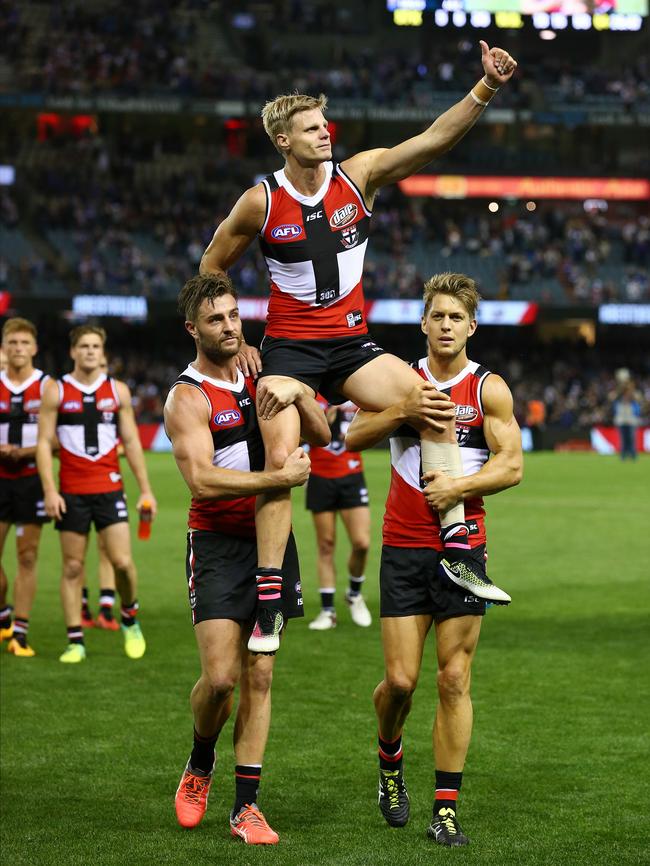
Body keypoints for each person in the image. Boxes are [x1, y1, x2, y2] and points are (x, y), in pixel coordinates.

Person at [200, 42, 518, 653]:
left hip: (350, 344)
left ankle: (457, 550)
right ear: (284, 142)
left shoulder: (359, 175)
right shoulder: (260, 200)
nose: (327, 134)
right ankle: (269, 598)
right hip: (289, 348)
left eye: (326, 125)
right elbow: (211, 268)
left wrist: (486, 89)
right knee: (282, 451)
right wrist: (233, 341)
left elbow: (430, 142)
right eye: (313, 129)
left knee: (430, 400)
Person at [345, 273, 523, 846]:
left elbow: (512, 465)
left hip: (464, 548)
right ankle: (389, 758)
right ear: (424, 323)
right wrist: (401, 409)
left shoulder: (489, 389)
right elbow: (353, 436)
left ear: (471, 327)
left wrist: (458, 488)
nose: (446, 326)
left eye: (456, 318)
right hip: (403, 547)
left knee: (453, 679)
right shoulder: (401, 380)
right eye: (437, 316)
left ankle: (445, 809)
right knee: (400, 682)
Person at [165, 274, 329, 845]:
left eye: (235, 316)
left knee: (260, 674)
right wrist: (277, 477)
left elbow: (324, 433)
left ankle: (246, 807)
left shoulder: (266, 370)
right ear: (193, 330)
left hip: (273, 545)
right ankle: (201, 760)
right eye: (217, 320)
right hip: (214, 543)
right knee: (220, 679)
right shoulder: (186, 398)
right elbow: (202, 482)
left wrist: (304, 392)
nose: (231, 326)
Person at [36, 325, 157, 663]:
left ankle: (130, 618)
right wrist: (49, 490)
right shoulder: (56, 390)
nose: (90, 351)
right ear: (73, 352)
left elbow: (131, 442)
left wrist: (146, 489)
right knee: (72, 567)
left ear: (102, 353)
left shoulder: (117, 391)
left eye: (95, 346)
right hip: (71, 492)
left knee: (122, 562)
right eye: (84, 346)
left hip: (110, 489)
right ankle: (75, 641)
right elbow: (45, 443)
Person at [0, 318, 50, 657]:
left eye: (24, 343)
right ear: (4, 348)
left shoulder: (48, 387)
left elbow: (60, 439)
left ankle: (19, 631)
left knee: (27, 556)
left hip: (32, 480)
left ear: (34, 348)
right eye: (12, 343)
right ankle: (3, 611)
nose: (18, 349)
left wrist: (27, 452)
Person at [307, 399, 372, 631]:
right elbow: (299, 436)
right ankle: (328, 611)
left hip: (351, 475)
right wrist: (322, 422)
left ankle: (354, 594)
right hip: (319, 476)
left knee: (362, 543)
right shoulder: (311, 393)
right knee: (326, 544)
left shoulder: (354, 391)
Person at [612, 378, 641, 460]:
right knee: (624, 439)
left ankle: (632, 455)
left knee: (631, 439)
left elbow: (637, 409)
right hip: (622, 421)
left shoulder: (633, 400)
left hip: (631, 421)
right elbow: (614, 407)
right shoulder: (619, 399)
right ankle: (624, 455)